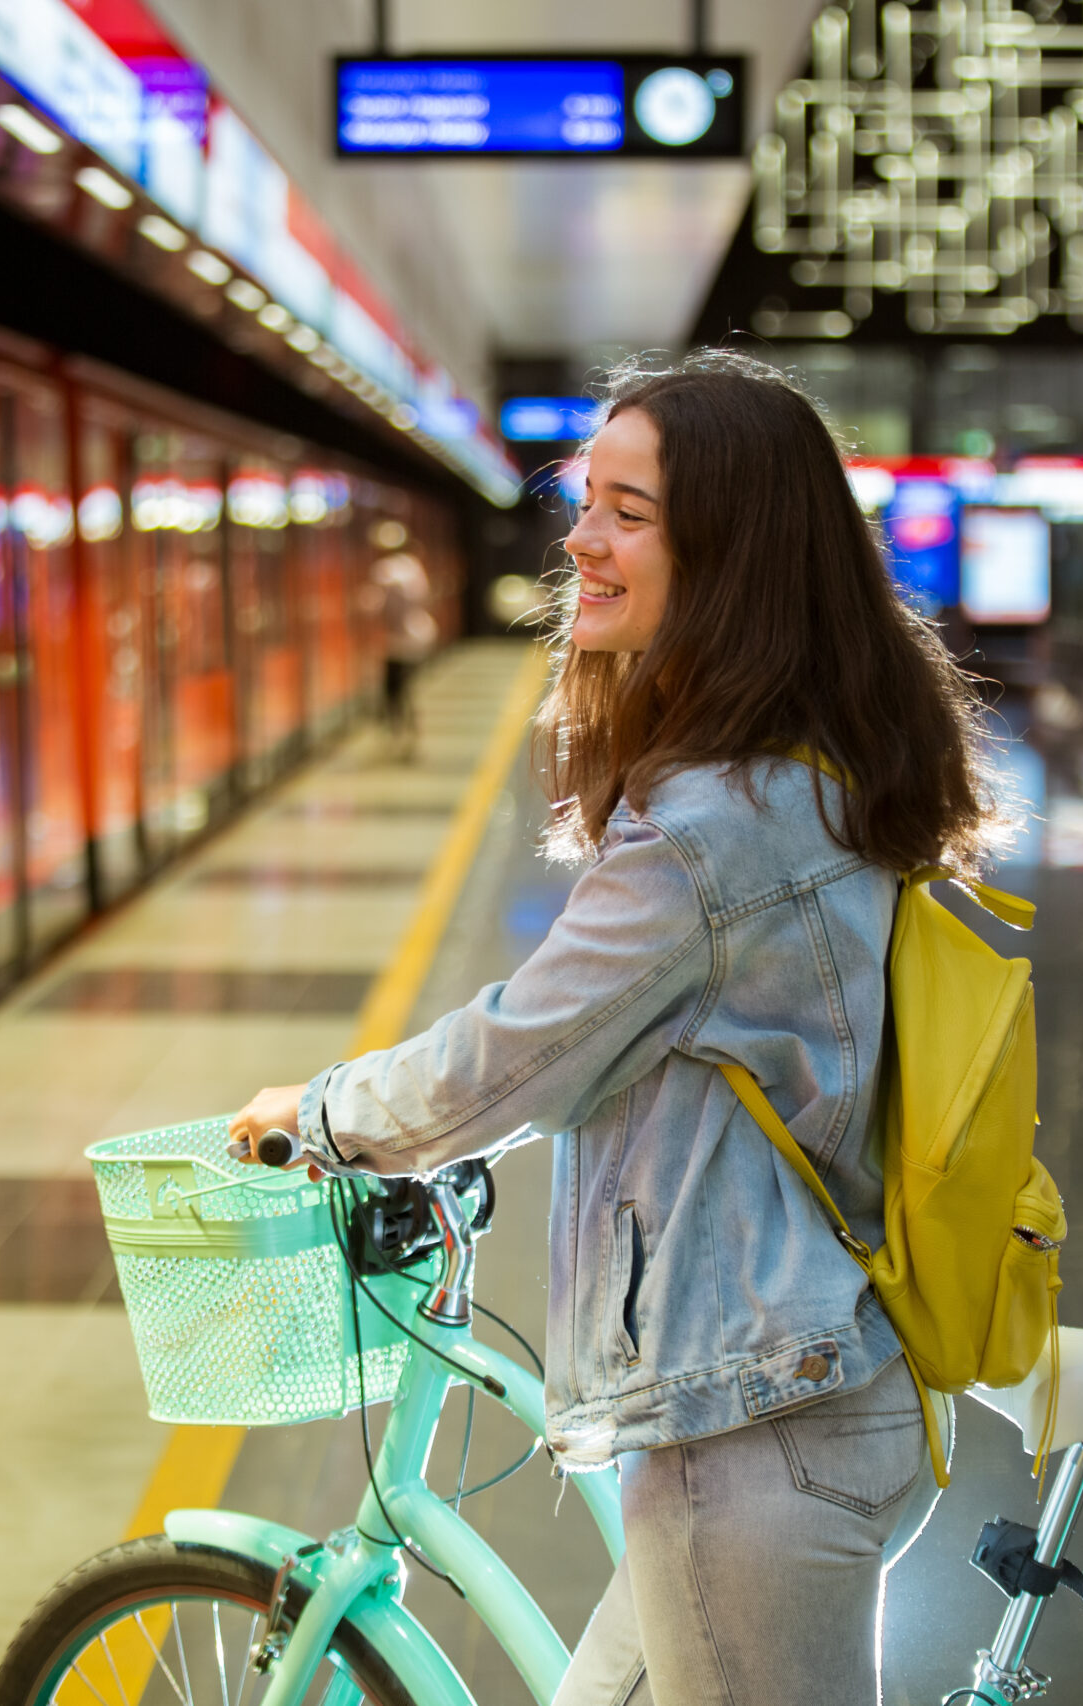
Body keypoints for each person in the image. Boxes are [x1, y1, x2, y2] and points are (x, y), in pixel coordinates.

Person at [228, 349, 1004, 1705]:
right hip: (806, 1388)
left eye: (627, 510)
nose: (578, 535)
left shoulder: (712, 824)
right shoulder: (808, 766)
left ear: (734, 554)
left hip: (751, 1437)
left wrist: (328, 1114)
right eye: (588, 499)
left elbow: (521, 1046)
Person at [373, 546, 437, 758]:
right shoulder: (412, 567)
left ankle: (400, 733)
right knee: (408, 689)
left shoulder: (385, 571)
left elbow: (384, 610)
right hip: (419, 637)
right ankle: (409, 734)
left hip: (397, 644)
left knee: (396, 691)